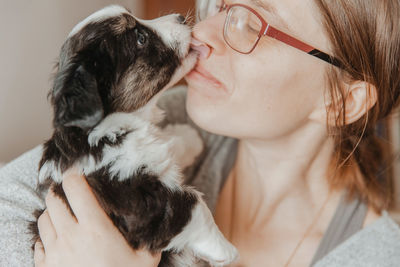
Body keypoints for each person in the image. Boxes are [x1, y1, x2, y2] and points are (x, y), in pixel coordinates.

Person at [1, 0, 400, 266]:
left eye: (250, 24)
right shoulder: (168, 121)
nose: (204, 33)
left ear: (343, 102)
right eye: (222, 4)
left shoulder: (375, 256)